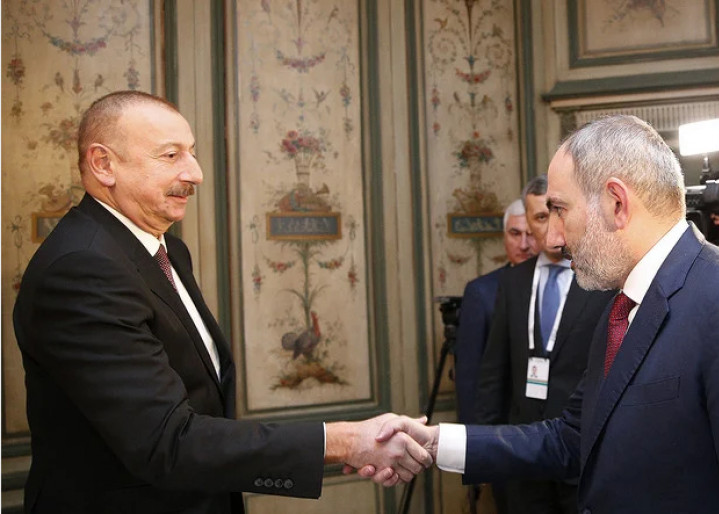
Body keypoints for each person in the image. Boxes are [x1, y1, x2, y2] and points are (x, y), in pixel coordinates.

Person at [12, 91, 431, 513]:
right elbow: (166, 441)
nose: (194, 173)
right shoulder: (83, 269)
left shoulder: (167, 251)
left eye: (192, 153)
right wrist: (345, 441)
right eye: (171, 155)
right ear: (104, 164)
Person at [371, 115, 719, 513]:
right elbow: (571, 437)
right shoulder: (620, 307)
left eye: (560, 210)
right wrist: (433, 442)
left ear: (616, 203)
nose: (552, 238)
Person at [476, 175, 613, 514]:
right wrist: (485, 452)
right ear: (528, 221)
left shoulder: (603, 280)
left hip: (582, 457)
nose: (551, 225)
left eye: (557, 212)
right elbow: (494, 374)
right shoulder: (513, 282)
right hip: (522, 459)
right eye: (539, 217)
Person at [453, 198, 537, 512]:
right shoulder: (482, 292)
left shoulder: (568, 282)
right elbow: (470, 379)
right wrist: (475, 451)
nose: (524, 244)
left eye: (530, 234)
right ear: (504, 237)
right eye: (515, 234)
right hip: (504, 437)